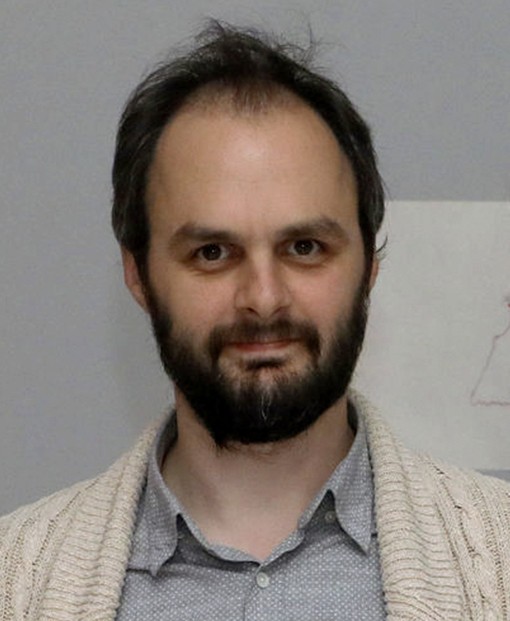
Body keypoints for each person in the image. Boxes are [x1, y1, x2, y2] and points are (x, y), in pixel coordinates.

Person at [1, 22, 509, 621]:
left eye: (305, 248)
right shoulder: (15, 580)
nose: (264, 299)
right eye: (212, 252)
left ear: (370, 264)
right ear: (138, 274)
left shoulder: (498, 557)